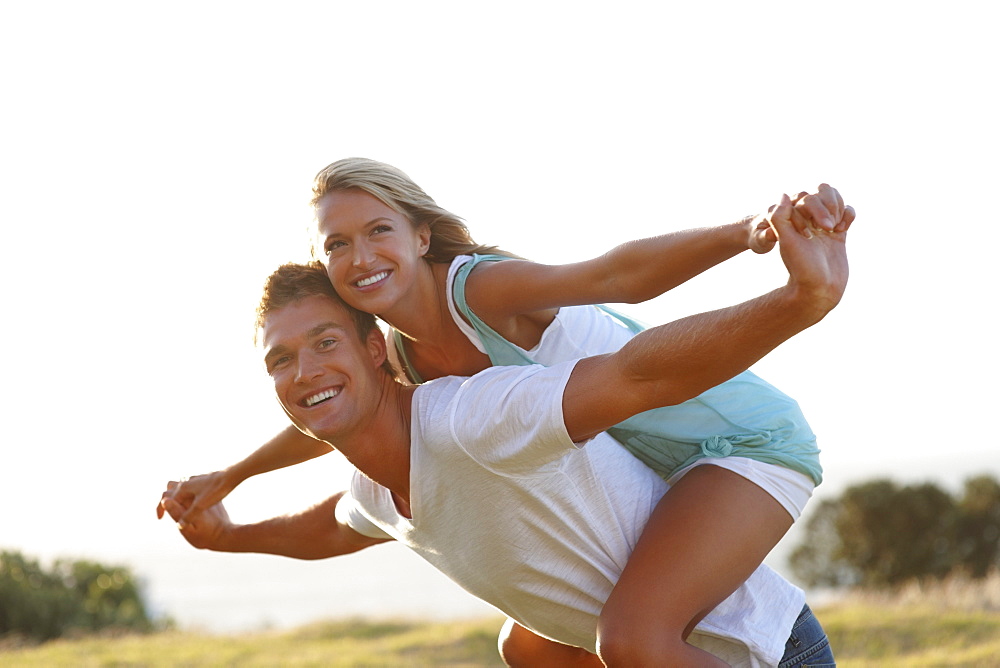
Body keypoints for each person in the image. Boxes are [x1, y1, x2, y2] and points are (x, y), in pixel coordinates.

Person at [162, 159, 852, 663]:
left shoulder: (479, 292)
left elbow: (615, 278)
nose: (360, 256)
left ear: (421, 237)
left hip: (739, 443)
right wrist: (232, 479)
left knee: (632, 637)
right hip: (655, 453)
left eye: (377, 231)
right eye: (336, 244)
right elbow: (324, 415)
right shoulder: (400, 358)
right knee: (529, 645)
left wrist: (750, 235)